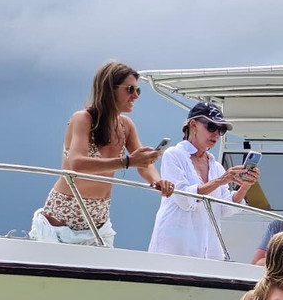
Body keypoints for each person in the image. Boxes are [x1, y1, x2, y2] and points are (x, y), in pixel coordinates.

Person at [30, 61, 175, 246]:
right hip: (63, 215)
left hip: (99, 218)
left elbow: (143, 163)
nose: (135, 96)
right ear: (109, 89)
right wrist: (128, 162)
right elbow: (77, 164)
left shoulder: (126, 126)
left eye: (138, 91)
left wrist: (157, 181)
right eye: (130, 89)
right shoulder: (83, 119)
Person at [147, 102, 259, 259]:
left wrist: (245, 187)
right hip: (174, 248)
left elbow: (226, 208)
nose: (216, 134)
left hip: (208, 250)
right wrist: (221, 180)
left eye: (221, 130)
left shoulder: (216, 166)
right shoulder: (174, 155)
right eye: (211, 127)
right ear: (193, 125)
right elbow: (184, 199)